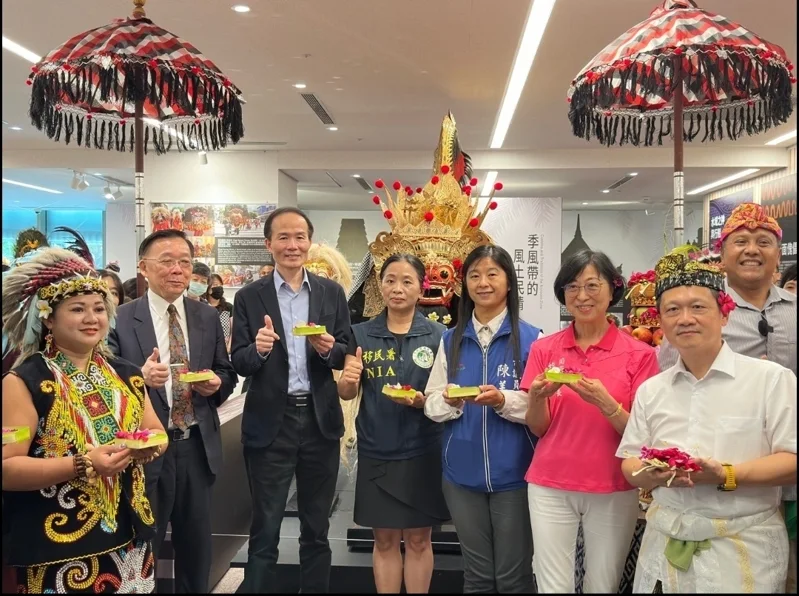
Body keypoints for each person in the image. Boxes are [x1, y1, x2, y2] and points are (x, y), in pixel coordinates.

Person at [617, 248, 797, 593]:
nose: (685, 318)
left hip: (744, 546)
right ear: (661, 321)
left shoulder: (771, 379)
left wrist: (726, 474)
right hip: (666, 543)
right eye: (672, 310)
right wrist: (650, 473)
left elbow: (792, 459)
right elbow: (629, 461)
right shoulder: (652, 390)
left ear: (724, 314)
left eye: (698, 307)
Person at [2, 247, 165, 593]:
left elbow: (156, 432)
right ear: (48, 318)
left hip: (131, 537)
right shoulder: (23, 382)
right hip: (57, 546)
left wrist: (147, 448)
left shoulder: (127, 374)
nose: (92, 318)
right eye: (77, 309)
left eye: (99, 309)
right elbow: (6, 467)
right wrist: (82, 463)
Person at [520, 249, 659, 593]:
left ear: (612, 290)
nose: (582, 296)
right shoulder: (545, 349)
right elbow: (539, 427)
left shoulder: (640, 354)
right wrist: (537, 397)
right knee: (553, 585)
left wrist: (607, 405)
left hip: (613, 484)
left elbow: (643, 437)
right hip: (549, 482)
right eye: (572, 287)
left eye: (592, 285)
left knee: (604, 583)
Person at [108, 229, 237, 593]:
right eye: (166, 261)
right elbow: (106, 383)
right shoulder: (120, 317)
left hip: (196, 444)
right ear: (144, 267)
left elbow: (225, 372)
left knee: (196, 546)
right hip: (144, 450)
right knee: (141, 542)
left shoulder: (206, 316)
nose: (177, 270)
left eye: (184, 262)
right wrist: (140, 377)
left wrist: (216, 384)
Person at [231, 207, 351, 593]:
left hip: (319, 421)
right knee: (265, 528)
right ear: (269, 244)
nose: (292, 245)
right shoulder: (250, 297)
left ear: (310, 243)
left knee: (317, 528)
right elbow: (239, 363)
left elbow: (346, 350)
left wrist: (330, 350)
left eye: (299, 236)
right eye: (283, 237)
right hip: (271, 422)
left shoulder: (330, 292)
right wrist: (260, 349)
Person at [424, 245, 541, 593]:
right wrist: (452, 403)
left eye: (492, 274)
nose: (483, 283)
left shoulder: (534, 339)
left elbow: (543, 406)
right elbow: (431, 402)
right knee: (475, 576)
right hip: (461, 475)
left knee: (513, 577)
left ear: (509, 282)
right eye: (474, 275)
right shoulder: (451, 339)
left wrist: (503, 400)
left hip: (516, 475)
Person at [338, 253, 449, 594]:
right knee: (384, 540)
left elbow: (447, 396)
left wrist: (423, 400)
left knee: (419, 540)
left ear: (421, 288)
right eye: (390, 280)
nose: (397, 289)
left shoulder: (440, 335)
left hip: (424, 450)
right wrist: (348, 378)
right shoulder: (359, 334)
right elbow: (346, 392)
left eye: (406, 281)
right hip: (376, 450)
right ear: (379, 285)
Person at [658, 203, 796, 375]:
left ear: (778, 256)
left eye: (763, 242)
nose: (752, 250)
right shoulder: (694, 310)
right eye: (741, 242)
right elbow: (670, 377)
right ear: (722, 254)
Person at [206, 274, 233, 353]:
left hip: (225, 349)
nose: (219, 287)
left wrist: (229, 347)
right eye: (215, 284)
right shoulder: (203, 306)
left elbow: (233, 330)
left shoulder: (229, 307)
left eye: (220, 285)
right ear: (208, 288)